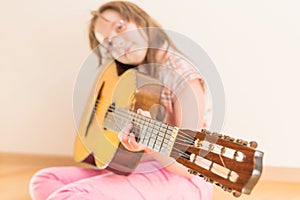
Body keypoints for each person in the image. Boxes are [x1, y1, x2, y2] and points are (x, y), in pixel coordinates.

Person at [29, 1, 213, 199]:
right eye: (108, 42)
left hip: (183, 181)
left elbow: (192, 166)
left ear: (140, 20)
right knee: (45, 180)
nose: (118, 42)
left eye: (120, 27)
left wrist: (151, 145)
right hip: (136, 167)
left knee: (67, 195)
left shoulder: (181, 75)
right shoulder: (132, 78)